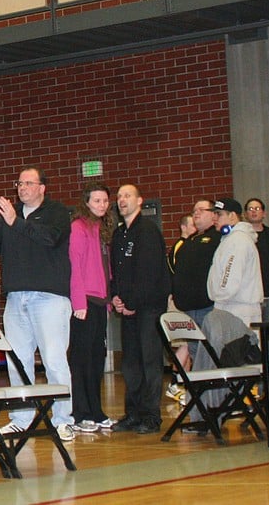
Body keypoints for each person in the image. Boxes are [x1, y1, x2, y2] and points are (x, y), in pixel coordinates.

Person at [0, 166, 75, 442]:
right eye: (19, 183)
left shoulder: (56, 212)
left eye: (28, 183)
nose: (22, 188)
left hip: (48, 297)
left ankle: (62, 420)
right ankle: (21, 418)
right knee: (18, 361)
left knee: (54, 359)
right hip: (16, 296)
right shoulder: (12, 216)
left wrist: (14, 222)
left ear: (42, 188)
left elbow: (50, 238)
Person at [109, 183, 169, 435]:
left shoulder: (147, 231)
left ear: (140, 201)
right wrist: (116, 297)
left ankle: (151, 416)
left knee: (149, 361)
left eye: (128, 196)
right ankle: (133, 413)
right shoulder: (119, 233)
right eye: (120, 196)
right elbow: (116, 271)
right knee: (130, 363)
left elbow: (149, 273)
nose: (123, 200)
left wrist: (132, 302)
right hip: (129, 309)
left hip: (148, 308)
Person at [66, 183, 115, 433]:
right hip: (84, 301)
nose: (102, 205)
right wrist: (79, 302)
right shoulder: (78, 227)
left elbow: (106, 268)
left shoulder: (102, 229)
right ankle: (80, 412)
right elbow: (75, 265)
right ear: (86, 203)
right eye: (96, 201)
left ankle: (96, 411)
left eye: (105, 201)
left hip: (99, 302)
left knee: (97, 358)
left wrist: (107, 301)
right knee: (81, 359)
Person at [165, 199, 220, 401]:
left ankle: (212, 401)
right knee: (196, 355)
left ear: (214, 215)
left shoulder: (218, 239)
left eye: (201, 210)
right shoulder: (191, 241)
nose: (196, 214)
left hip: (208, 307)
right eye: (194, 210)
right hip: (189, 308)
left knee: (209, 356)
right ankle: (198, 401)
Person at [207, 197, 263, 327]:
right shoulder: (231, 239)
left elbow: (230, 279)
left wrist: (218, 296)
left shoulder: (238, 241)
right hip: (233, 307)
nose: (214, 218)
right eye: (214, 214)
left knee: (241, 347)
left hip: (236, 310)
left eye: (219, 214)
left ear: (232, 216)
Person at [243, 197, 269, 321]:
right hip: (250, 298)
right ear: (245, 214)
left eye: (257, 208)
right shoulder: (241, 237)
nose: (254, 211)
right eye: (250, 209)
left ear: (264, 213)